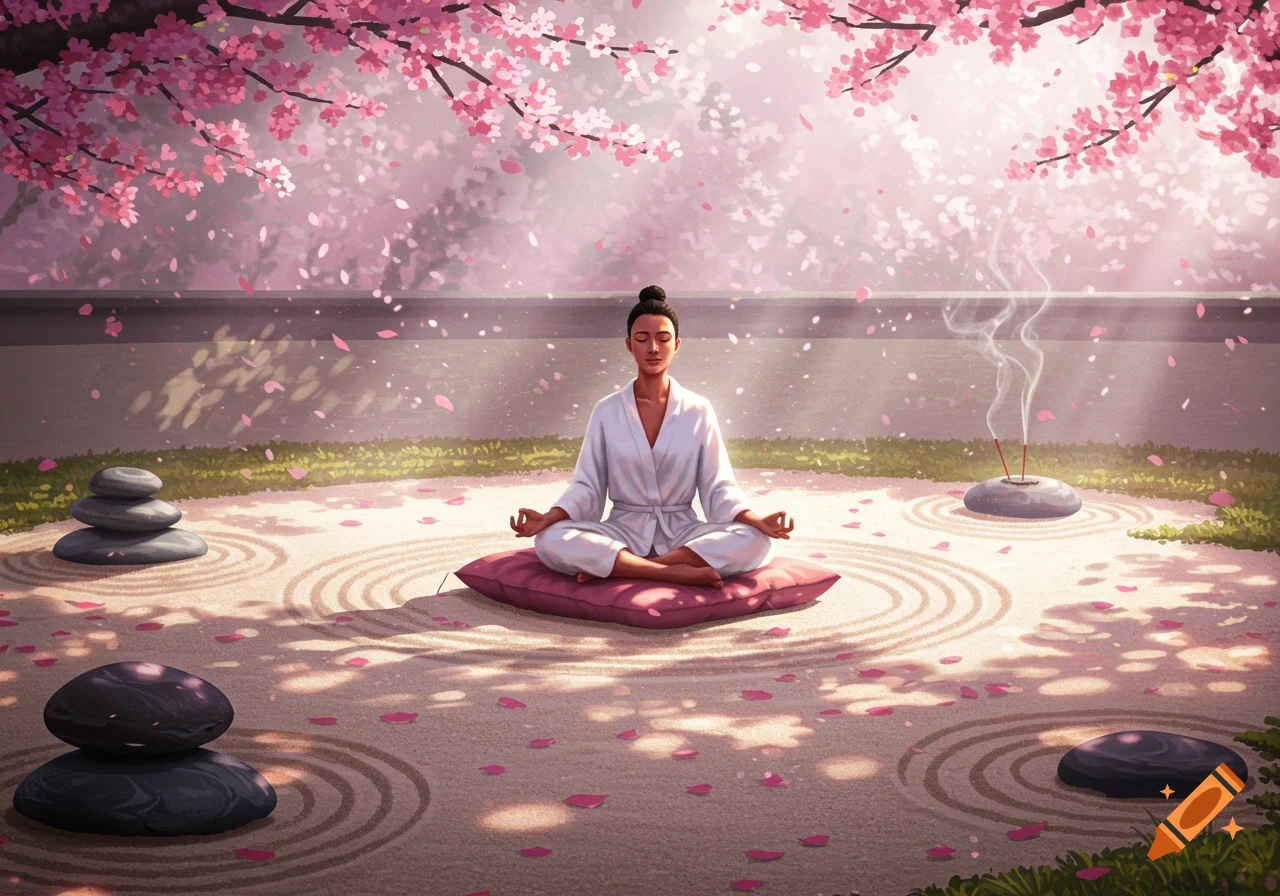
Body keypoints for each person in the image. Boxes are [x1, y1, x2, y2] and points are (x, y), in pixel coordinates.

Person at [509, 285, 795, 589]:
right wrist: (548, 518)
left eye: (663, 339)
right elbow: (588, 487)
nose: (653, 349)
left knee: (756, 541)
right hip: (623, 530)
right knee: (550, 539)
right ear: (629, 345)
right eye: (642, 339)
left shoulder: (698, 410)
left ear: (677, 344)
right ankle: (671, 572)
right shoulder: (607, 411)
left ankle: (630, 568)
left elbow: (718, 488)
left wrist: (757, 522)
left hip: (683, 532)